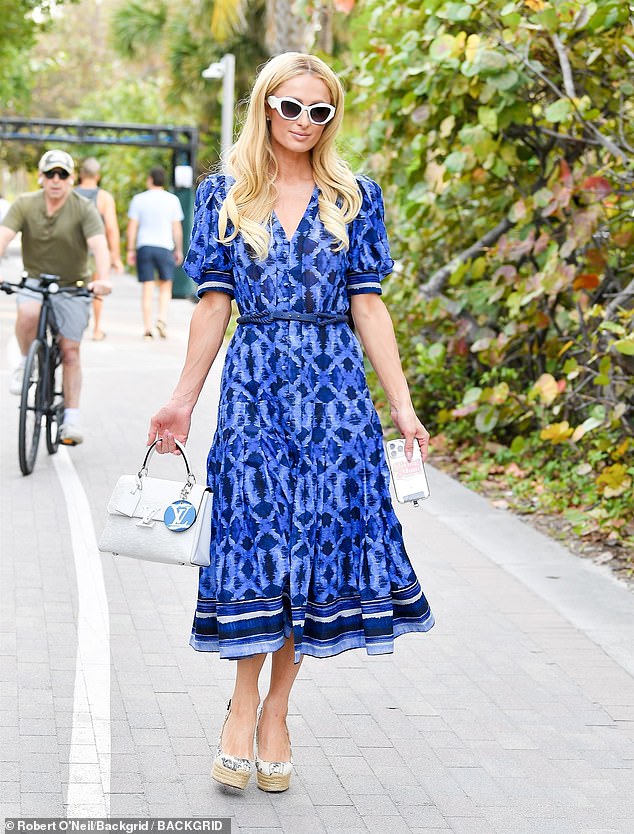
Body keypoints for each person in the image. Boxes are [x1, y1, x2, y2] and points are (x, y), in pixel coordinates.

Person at [148, 53, 434, 793]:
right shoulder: (223, 193)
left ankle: (276, 711)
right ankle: (240, 708)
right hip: (255, 388)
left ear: (332, 118)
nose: (304, 122)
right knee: (254, 545)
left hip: (337, 397)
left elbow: (369, 304)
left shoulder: (355, 196)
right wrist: (181, 398)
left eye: (321, 111)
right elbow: (213, 304)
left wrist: (400, 405)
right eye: (291, 106)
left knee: (311, 551)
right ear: (264, 106)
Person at [0, 150, 112, 445]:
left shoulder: (83, 208)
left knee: (70, 351)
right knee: (27, 313)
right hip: (35, 280)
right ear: (41, 177)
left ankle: (71, 420)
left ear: (71, 179)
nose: (56, 180)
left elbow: (99, 246)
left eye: (62, 174)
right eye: (50, 174)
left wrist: (102, 279)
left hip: (73, 285)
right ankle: (26, 363)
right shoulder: (25, 204)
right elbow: (3, 236)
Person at [126, 166, 184, 340]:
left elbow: (132, 227)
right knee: (166, 286)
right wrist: (178, 249)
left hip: (145, 246)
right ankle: (162, 318)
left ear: (150, 179)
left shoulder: (139, 199)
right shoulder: (172, 200)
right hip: (165, 246)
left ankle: (147, 328)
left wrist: (130, 249)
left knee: (147, 287)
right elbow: (177, 228)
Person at [75, 157, 124, 340]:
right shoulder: (103, 197)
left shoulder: (70, 194)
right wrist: (115, 256)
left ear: (80, 175)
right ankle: (96, 329)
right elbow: (111, 228)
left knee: (74, 288)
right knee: (97, 287)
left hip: (74, 250)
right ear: (98, 176)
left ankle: (75, 326)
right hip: (96, 251)